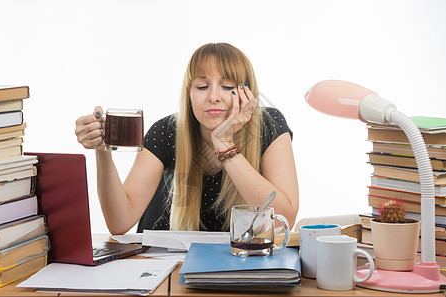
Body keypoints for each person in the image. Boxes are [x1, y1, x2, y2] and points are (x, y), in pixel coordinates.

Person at [75, 43, 299, 234]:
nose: (213, 97)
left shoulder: (269, 124)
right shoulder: (166, 131)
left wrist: (225, 144)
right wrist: (102, 150)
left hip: (239, 261)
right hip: (169, 264)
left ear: (247, 94)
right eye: (202, 87)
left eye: (228, 86)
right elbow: (119, 222)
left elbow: (282, 221)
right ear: (189, 94)